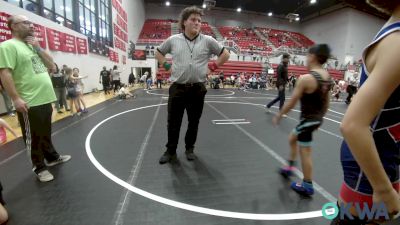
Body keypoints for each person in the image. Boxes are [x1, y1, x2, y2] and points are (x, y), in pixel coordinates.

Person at [333, 1, 400, 224]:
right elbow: (352, 125)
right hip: (370, 170)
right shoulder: (397, 43)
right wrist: (383, 188)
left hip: (385, 157)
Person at [0, 15, 71, 182]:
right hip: (29, 101)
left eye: (30, 22)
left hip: (45, 98)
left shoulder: (32, 46)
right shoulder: (8, 46)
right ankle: (39, 167)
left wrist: (38, 48)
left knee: (45, 133)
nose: (31, 25)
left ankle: (52, 158)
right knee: (33, 137)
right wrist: (15, 99)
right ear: (14, 26)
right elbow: (4, 73)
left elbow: (52, 66)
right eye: (26, 23)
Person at [156, 6, 230, 164]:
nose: (197, 23)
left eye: (199, 20)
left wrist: (214, 66)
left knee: (193, 122)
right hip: (177, 88)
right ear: (184, 22)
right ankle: (170, 151)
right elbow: (158, 52)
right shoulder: (173, 40)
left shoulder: (208, 41)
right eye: (193, 20)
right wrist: (166, 65)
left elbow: (225, 53)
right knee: (173, 122)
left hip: (197, 89)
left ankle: (190, 149)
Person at [272, 44, 333, 196]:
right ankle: (290, 167)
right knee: (293, 137)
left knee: (305, 151)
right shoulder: (327, 77)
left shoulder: (306, 78)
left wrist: (279, 115)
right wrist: (320, 119)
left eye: (307, 56)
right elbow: (327, 102)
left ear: (312, 56)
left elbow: (292, 102)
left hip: (308, 120)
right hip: (315, 118)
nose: (306, 59)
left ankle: (307, 185)